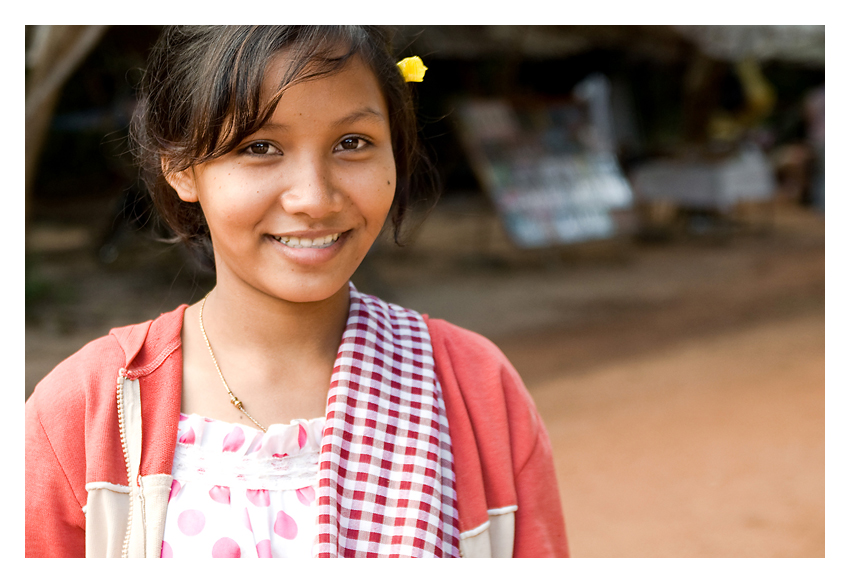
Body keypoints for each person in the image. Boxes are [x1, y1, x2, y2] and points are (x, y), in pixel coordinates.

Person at [25, 25, 568, 558]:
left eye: (352, 143)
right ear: (181, 167)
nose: (314, 198)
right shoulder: (87, 411)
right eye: (260, 147)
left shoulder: (475, 391)